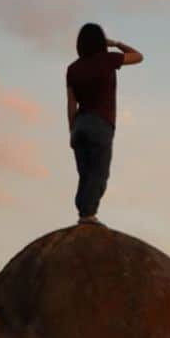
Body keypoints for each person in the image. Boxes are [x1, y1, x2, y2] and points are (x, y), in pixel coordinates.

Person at [66, 23, 143, 225]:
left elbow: (71, 103)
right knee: (99, 173)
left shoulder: (73, 68)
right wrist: (116, 44)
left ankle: (84, 212)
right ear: (101, 41)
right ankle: (87, 215)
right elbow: (138, 56)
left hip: (80, 125)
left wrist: (71, 130)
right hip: (100, 123)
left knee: (85, 174)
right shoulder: (107, 59)